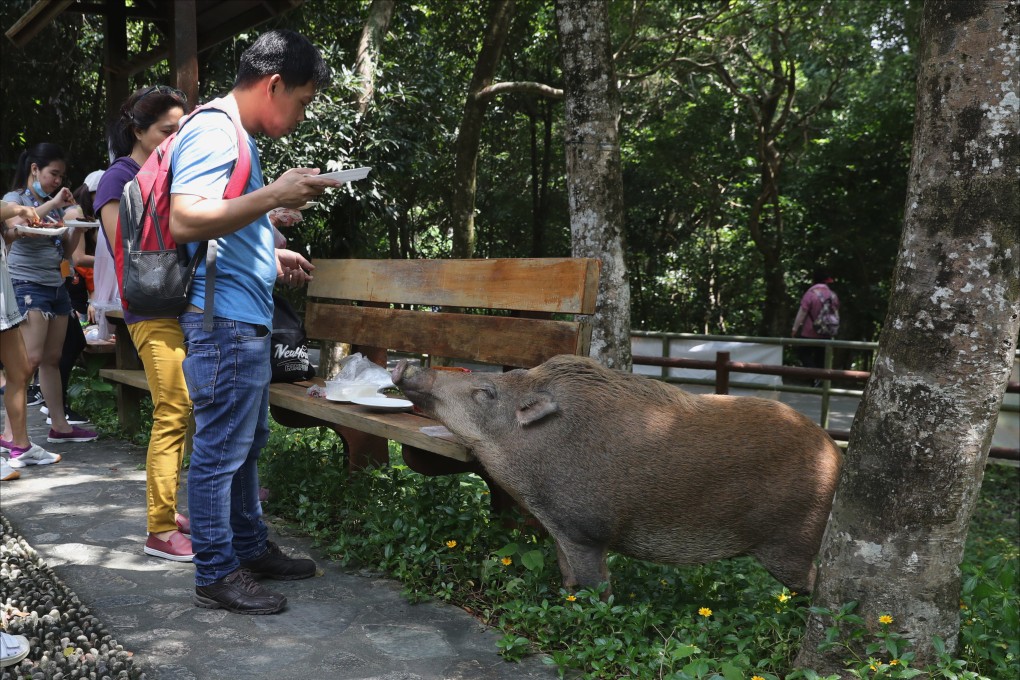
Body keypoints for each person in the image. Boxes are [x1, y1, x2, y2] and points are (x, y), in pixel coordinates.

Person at [170, 29, 337, 614]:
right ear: (274, 85)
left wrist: (269, 249)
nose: (302, 113)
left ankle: (247, 546)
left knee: (246, 443)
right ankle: (216, 573)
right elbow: (186, 220)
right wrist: (273, 195)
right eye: (304, 99)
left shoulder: (232, 133)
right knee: (220, 452)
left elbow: (223, 218)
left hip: (240, 317)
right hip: (223, 324)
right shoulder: (215, 130)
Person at [95, 85, 194, 562]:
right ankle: (158, 528)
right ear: (138, 130)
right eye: (165, 131)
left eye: (181, 130)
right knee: (173, 408)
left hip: (179, 306)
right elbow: (124, 248)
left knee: (183, 408)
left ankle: (169, 509)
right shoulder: (120, 178)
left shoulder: (169, 171)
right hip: (150, 309)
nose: (174, 139)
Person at [1, 144, 98, 446]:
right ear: (34, 169)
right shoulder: (13, 199)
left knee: (52, 358)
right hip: (27, 284)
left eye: (61, 176)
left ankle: (60, 426)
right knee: (27, 360)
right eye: (53, 174)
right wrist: (55, 202)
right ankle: (10, 433)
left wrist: (76, 228)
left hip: (55, 284)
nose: (58, 180)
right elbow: (16, 228)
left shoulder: (53, 206)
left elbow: (65, 252)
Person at [0, 198, 62, 477]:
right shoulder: (15, 203)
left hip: (4, 289)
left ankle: (21, 446)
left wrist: (16, 225)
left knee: (21, 368)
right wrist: (20, 209)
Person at [791, 270, 840, 377]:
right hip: (826, 332)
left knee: (803, 353)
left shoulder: (810, 294)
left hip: (809, 331)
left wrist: (795, 328)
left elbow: (802, 312)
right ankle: (819, 381)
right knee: (821, 357)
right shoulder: (833, 295)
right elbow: (836, 314)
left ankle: (814, 377)